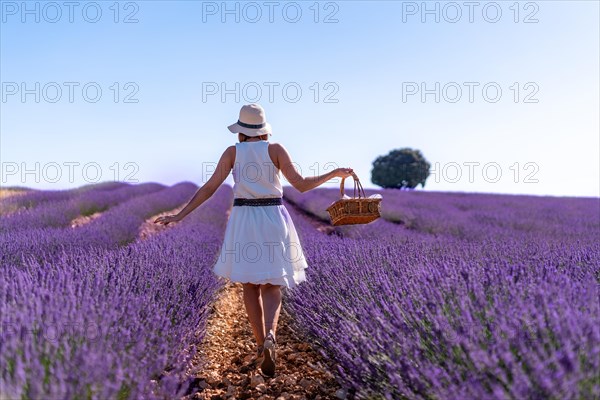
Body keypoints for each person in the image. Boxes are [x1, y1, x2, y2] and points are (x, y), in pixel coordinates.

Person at [155, 103, 354, 377]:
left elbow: (211, 187)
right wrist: (334, 173)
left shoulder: (232, 152)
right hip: (274, 216)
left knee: (250, 285)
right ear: (263, 129)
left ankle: (261, 344)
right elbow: (302, 184)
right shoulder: (275, 149)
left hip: (245, 219)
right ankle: (272, 335)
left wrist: (179, 215)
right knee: (273, 285)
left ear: (241, 130)